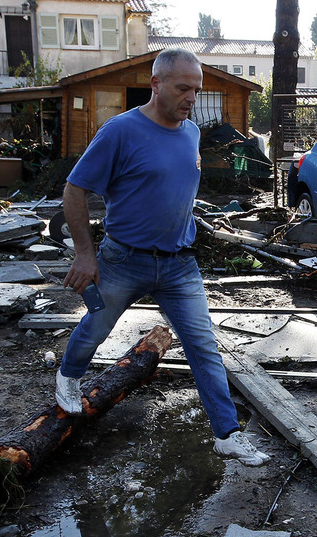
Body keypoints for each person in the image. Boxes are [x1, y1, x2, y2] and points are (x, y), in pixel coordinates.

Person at [54, 48, 271, 467]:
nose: (192, 97)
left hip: (178, 264)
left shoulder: (190, 132)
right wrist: (85, 254)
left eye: (197, 89)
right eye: (183, 88)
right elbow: (74, 189)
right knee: (95, 327)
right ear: (156, 84)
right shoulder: (120, 131)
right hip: (123, 259)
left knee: (204, 346)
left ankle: (226, 435)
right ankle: (68, 377)